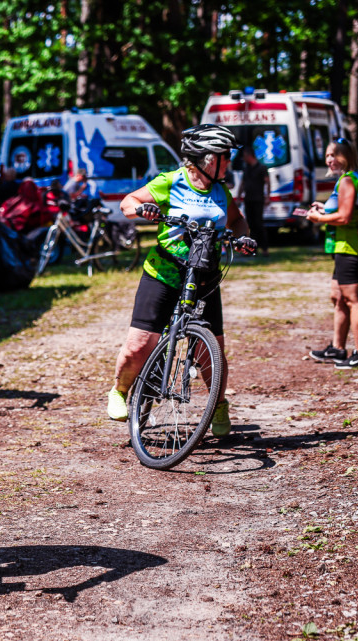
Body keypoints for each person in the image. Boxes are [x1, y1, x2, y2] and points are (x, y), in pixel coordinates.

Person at [106, 124, 255, 436]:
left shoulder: (220, 190)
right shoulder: (171, 181)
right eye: (224, 156)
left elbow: (238, 220)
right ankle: (120, 390)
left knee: (211, 352)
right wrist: (142, 209)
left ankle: (218, 403)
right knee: (138, 347)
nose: (229, 161)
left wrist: (242, 238)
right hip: (164, 272)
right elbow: (127, 203)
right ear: (204, 159)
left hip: (205, 277)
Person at [306, 138, 358, 369]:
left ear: (347, 156)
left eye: (335, 155)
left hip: (350, 245)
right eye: (327, 155)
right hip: (348, 244)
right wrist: (325, 208)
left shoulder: (347, 180)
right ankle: (337, 348)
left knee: (354, 299)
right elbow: (353, 209)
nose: (330, 160)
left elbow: (345, 216)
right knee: (338, 296)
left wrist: (319, 218)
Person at [237, 146, 270, 257]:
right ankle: (249, 250)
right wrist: (238, 196)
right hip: (248, 199)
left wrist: (268, 196)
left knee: (259, 224)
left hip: (258, 200)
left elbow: (267, 182)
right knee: (249, 226)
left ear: (250, 155)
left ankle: (265, 249)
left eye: (245, 156)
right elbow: (242, 183)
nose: (243, 158)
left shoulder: (261, 168)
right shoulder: (246, 169)